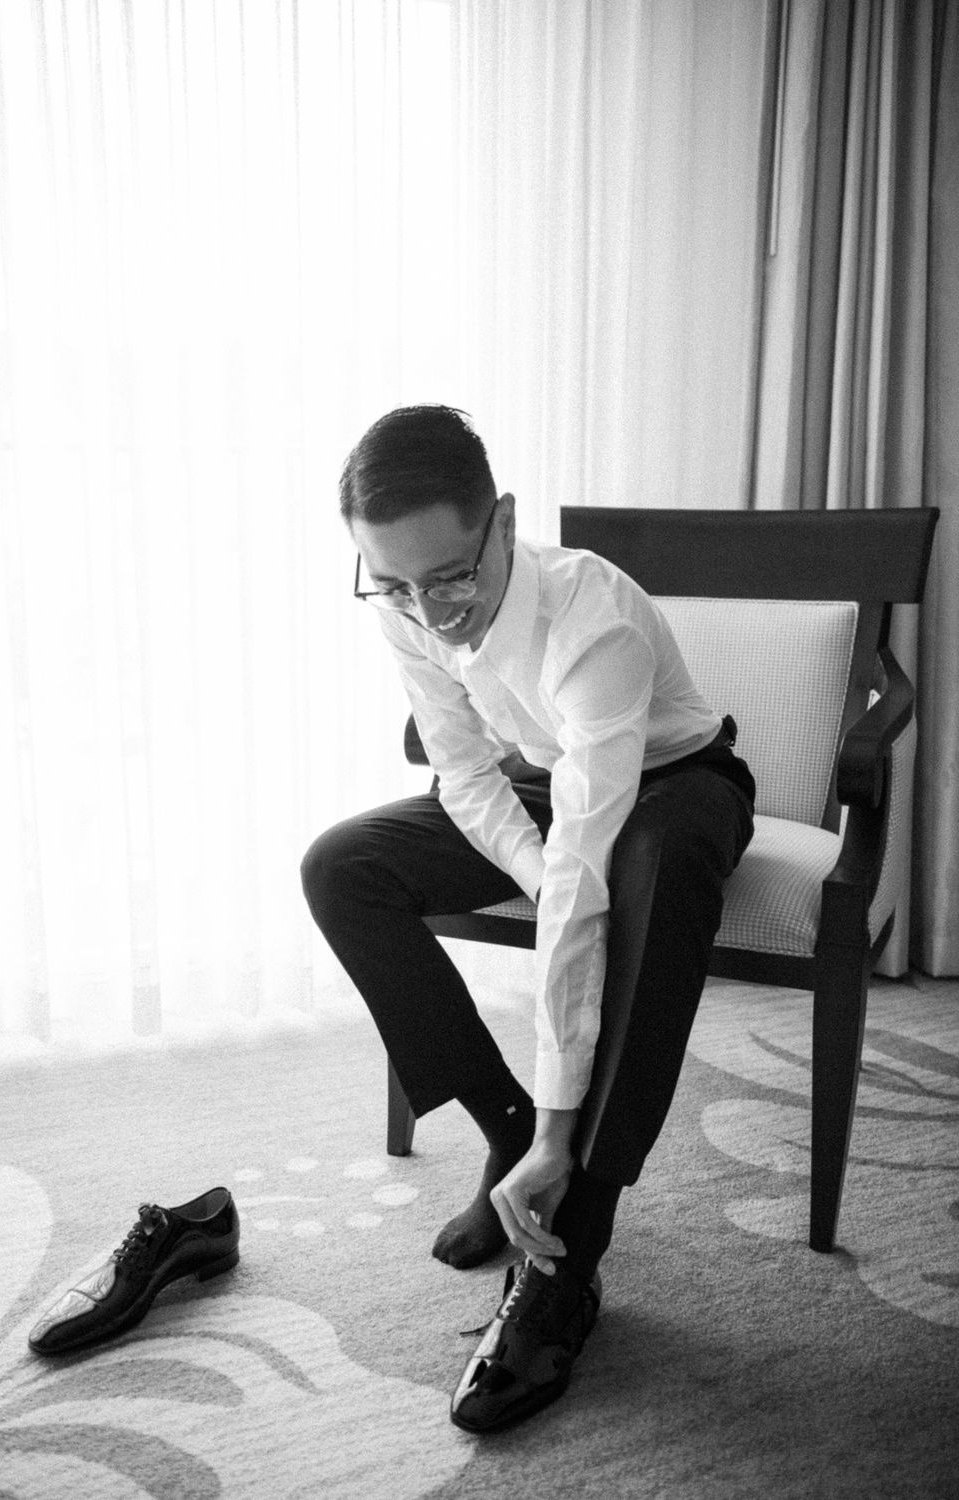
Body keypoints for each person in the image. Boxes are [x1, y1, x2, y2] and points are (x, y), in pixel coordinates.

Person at [301, 405, 755, 1433]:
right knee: (342, 867)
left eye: (450, 579)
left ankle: (568, 1245)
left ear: (503, 522)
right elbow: (464, 772)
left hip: (677, 783)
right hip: (546, 783)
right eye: (396, 585)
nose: (430, 614)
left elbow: (588, 875)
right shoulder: (405, 601)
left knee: (654, 871)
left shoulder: (593, 615)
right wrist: (534, 868)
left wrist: (565, 1128)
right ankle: (503, 1132)